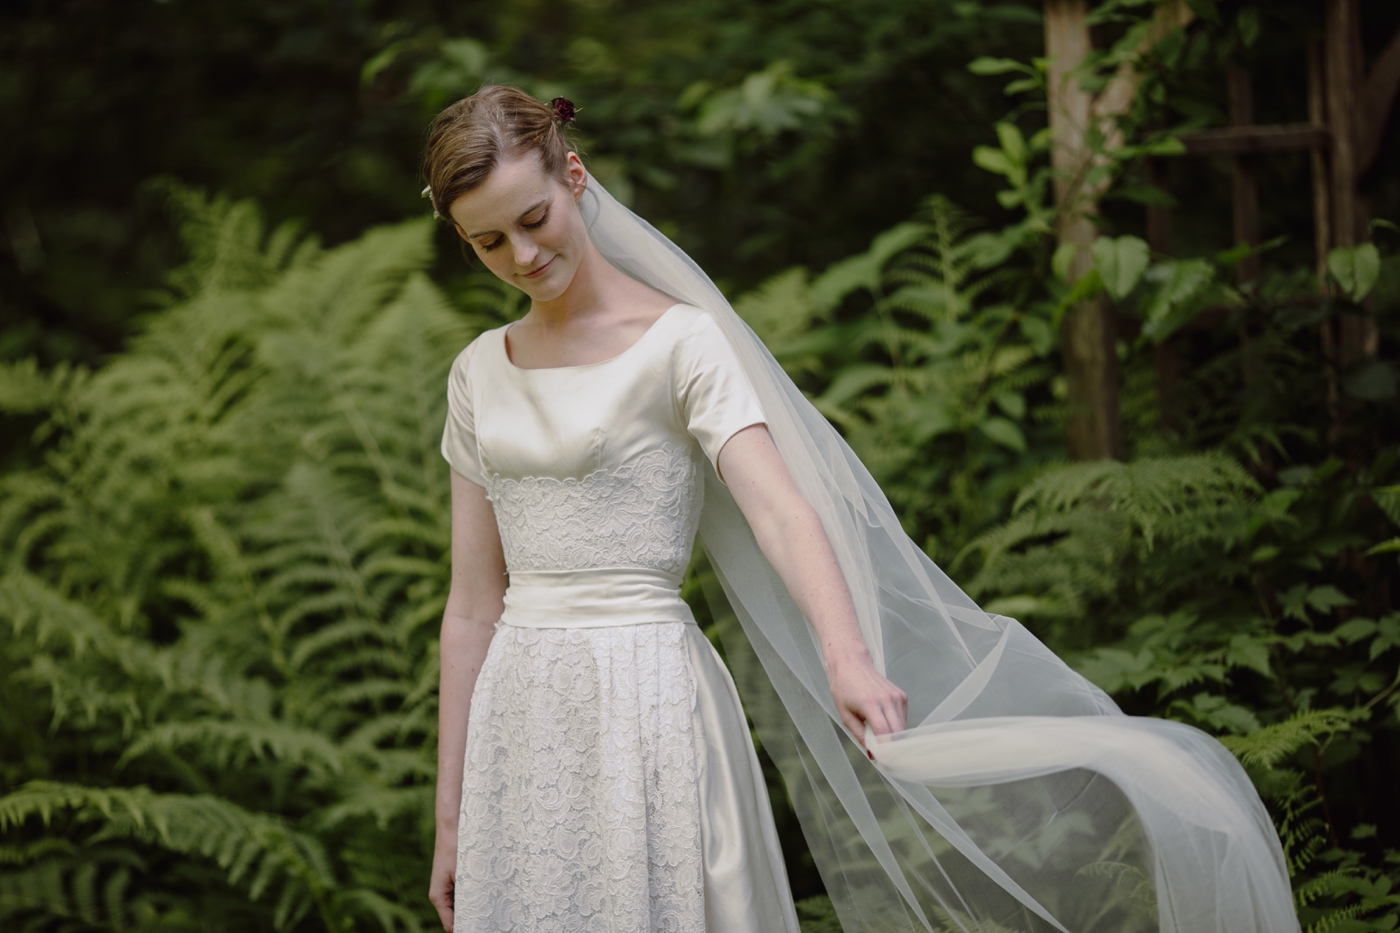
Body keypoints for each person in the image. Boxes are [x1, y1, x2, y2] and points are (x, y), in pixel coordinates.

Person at [425, 86, 1301, 933]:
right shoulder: (478, 371)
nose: (522, 257)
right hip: (520, 719)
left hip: (645, 696)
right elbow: (470, 606)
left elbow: (780, 510)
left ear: (574, 178)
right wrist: (452, 819)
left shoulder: (679, 343)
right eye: (488, 242)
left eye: (533, 220)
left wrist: (847, 657)